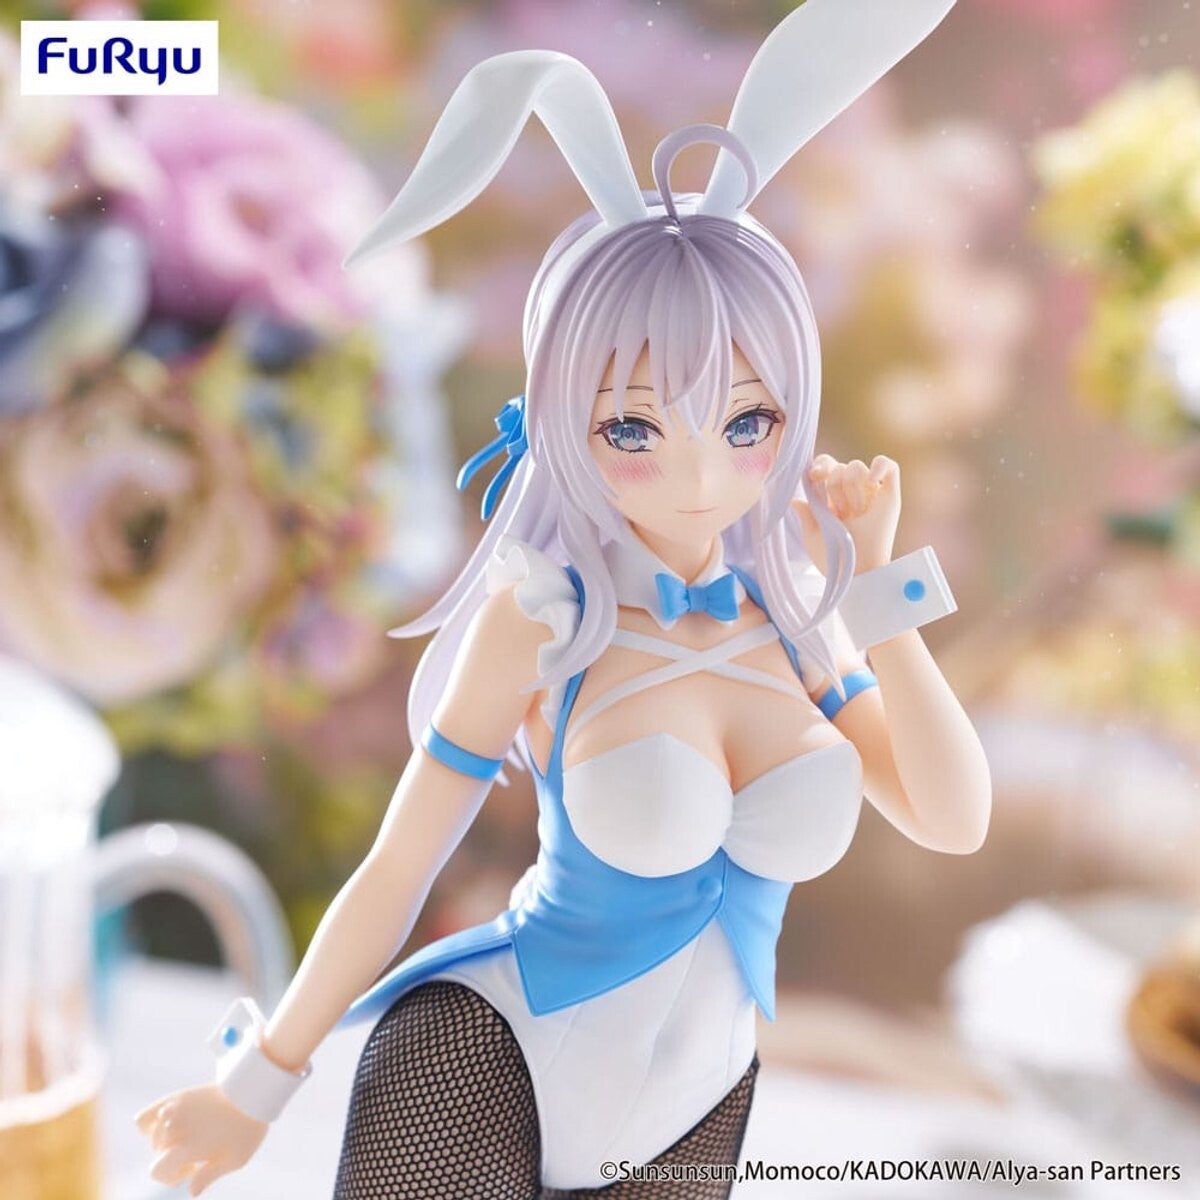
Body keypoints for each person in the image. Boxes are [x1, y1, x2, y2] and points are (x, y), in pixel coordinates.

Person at [134, 2, 990, 1196]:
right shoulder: (544, 617)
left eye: (748, 420)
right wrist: (259, 1085)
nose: (700, 475)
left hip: (697, 1101)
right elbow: (399, 868)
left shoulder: (801, 615)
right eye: (633, 429)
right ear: (565, 425)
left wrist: (877, 583)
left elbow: (951, 819)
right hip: (486, 1060)